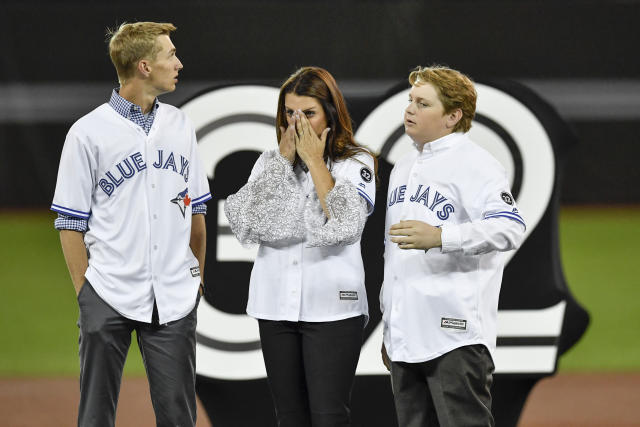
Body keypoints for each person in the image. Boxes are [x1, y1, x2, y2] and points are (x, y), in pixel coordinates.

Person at [51, 22, 211, 427]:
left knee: (178, 417)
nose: (178, 63)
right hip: (108, 293)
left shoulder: (180, 125)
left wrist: (196, 277)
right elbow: (70, 222)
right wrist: (86, 294)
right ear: (143, 66)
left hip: (174, 297)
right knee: (95, 417)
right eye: (169, 55)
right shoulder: (87, 133)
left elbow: (197, 214)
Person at [225, 66, 377, 427]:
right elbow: (247, 224)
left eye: (308, 113)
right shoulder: (268, 163)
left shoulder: (356, 162)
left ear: (330, 113)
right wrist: (283, 163)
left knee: (328, 417)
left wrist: (312, 160)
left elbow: (346, 224)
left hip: (333, 308)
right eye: (290, 113)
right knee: (289, 418)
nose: (298, 123)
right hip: (275, 304)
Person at [380, 65, 526, 427]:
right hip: (405, 333)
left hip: (454, 335)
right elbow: (393, 255)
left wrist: (442, 237)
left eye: (423, 103)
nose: (410, 109)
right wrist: (390, 323)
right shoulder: (404, 165)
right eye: (410, 101)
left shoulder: (476, 163)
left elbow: (509, 226)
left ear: (453, 116)